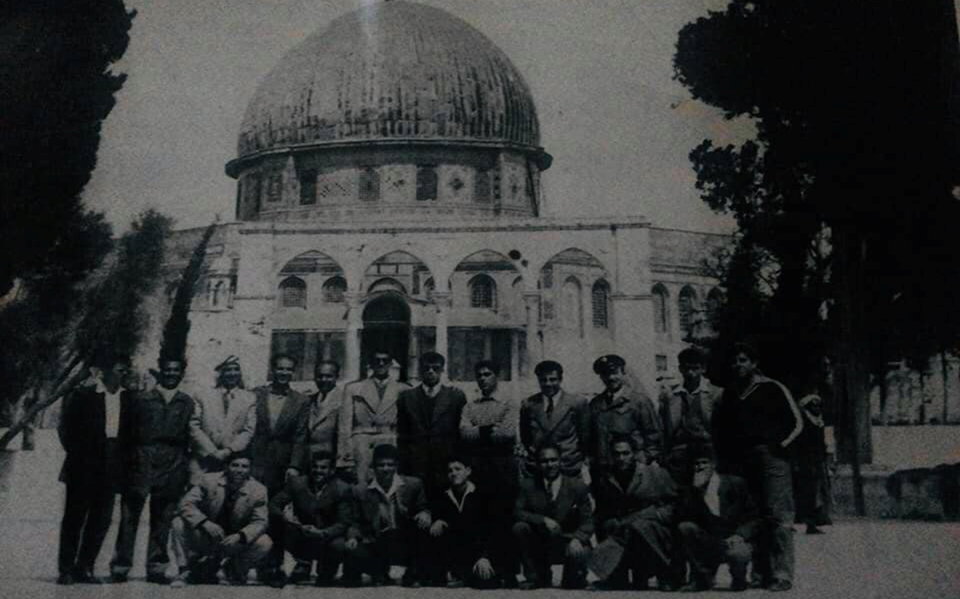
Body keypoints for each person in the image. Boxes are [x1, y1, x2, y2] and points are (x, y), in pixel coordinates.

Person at [711, 342, 803, 592]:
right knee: (754, 517)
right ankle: (760, 573)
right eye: (734, 361)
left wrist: (777, 447)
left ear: (754, 363)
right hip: (743, 464)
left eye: (743, 360)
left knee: (778, 517)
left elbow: (797, 423)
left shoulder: (772, 388)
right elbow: (719, 431)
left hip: (772, 461)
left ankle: (782, 574)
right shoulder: (729, 395)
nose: (738, 365)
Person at [111, 357, 195, 584]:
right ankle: (121, 566)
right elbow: (125, 436)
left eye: (175, 371)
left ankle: (156, 567)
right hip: (141, 461)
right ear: (160, 372)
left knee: (163, 518)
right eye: (167, 370)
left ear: (181, 374)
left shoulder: (186, 402)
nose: (171, 374)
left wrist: (184, 469)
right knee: (129, 517)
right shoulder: (141, 399)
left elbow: (189, 438)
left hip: (173, 462)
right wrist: (124, 468)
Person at [56, 358, 134, 585]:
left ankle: (85, 567)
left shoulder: (129, 398)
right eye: (119, 368)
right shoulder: (83, 396)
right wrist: (79, 455)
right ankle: (66, 569)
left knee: (101, 519)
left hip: (113, 463)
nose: (123, 372)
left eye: (125, 369)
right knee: (74, 517)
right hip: (83, 463)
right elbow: (65, 429)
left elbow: (131, 434)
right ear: (105, 371)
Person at [249, 353, 310, 587]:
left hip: (283, 465)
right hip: (257, 461)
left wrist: (294, 465)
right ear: (272, 370)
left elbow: (300, 436)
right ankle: (255, 563)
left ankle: (274, 566)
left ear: (293, 372)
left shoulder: (300, 400)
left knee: (277, 515)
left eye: (288, 370)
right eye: (280, 369)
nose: (284, 373)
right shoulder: (256, 394)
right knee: (256, 512)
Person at [458, 359, 520, 585]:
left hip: (503, 470)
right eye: (480, 375)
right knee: (479, 518)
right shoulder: (470, 405)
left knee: (504, 518)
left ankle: (508, 570)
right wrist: (489, 429)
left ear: (497, 377)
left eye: (487, 374)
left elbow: (507, 433)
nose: (483, 378)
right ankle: (480, 568)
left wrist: (479, 432)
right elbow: (464, 433)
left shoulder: (508, 403)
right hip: (478, 470)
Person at [170, 454, 272, 587]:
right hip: (206, 536)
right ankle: (184, 570)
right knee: (178, 523)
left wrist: (240, 536)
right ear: (226, 467)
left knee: (264, 542)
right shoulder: (208, 479)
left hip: (233, 541)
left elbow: (260, 522)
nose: (239, 470)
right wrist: (204, 522)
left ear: (250, 470)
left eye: (244, 466)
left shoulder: (258, 490)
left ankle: (234, 569)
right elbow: (185, 504)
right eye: (235, 465)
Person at [591, 437, 677, 591]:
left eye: (626, 453)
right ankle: (616, 577)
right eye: (616, 454)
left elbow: (674, 503)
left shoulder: (654, 473)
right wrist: (609, 522)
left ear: (635, 454)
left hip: (651, 530)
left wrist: (657, 515)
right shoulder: (606, 478)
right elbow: (602, 510)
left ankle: (660, 575)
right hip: (622, 531)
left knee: (641, 528)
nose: (621, 458)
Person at [344, 444, 433, 587]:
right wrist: (352, 537)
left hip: (404, 539)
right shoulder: (361, 491)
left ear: (396, 466)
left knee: (423, 529)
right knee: (354, 552)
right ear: (373, 467)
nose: (385, 469)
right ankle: (379, 572)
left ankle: (413, 573)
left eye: (390, 465)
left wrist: (425, 513)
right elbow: (355, 521)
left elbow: (423, 507)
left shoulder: (413, 485)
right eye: (381, 465)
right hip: (376, 541)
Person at [676, 444, 760, 592]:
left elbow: (754, 516)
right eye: (696, 464)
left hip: (733, 538)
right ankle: (702, 578)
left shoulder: (735, 483)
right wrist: (695, 491)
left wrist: (740, 534)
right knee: (685, 527)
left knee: (739, 553)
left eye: (704, 463)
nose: (700, 467)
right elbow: (683, 516)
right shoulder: (689, 489)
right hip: (708, 539)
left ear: (714, 465)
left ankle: (738, 578)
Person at [512, 445, 593, 590]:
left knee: (573, 584)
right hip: (540, 541)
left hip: (567, 541)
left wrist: (577, 538)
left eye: (553, 460)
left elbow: (588, 521)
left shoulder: (577, 486)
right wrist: (542, 519)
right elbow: (518, 511)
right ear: (537, 464)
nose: (549, 465)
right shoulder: (528, 485)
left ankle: (575, 575)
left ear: (560, 461)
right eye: (544, 461)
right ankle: (535, 576)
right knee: (520, 528)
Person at [269, 450, 354, 586]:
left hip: (327, 536)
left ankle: (326, 570)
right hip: (301, 533)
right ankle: (289, 567)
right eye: (315, 467)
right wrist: (285, 517)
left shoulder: (342, 488)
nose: (318, 471)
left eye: (323, 468)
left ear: (332, 470)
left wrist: (322, 532)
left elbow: (343, 522)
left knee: (338, 545)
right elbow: (274, 504)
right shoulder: (297, 483)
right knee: (276, 526)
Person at [396, 352, 467, 500]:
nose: (431, 372)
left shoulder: (455, 397)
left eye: (435, 368)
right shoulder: (407, 397)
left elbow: (459, 432)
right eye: (426, 368)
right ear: (420, 370)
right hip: (415, 464)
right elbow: (402, 434)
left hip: (445, 463)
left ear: (442, 370)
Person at [426, 456, 502, 588]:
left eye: (458, 469)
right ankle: (450, 572)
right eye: (450, 470)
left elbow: (492, 530)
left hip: (481, 551)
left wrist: (484, 557)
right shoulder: (443, 496)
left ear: (468, 471)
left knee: (486, 583)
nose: (454, 473)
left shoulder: (483, 495)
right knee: (437, 530)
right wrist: (438, 520)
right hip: (458, 552)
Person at [338, 351, 410, 485]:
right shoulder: (354, 388)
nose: (381, 364)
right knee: (361, 488)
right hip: (361, 445)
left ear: (391, 364)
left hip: (389, 442)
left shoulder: (403, 389)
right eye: (377, 360)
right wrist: (345, 457)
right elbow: (344, 426)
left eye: (385, 360)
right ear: (370, 364)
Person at [588, 354, 662, 481]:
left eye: (614, 372)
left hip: (633, 470)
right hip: (605, 472)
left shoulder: (639, 401)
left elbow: (654, 437)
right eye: (605, 374)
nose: (611, 378)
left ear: (623, 372)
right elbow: (592, 439)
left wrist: (643, 461)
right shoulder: (595, 404)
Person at [188, 356, 256, 484]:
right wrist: (212, 451)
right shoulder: (202, 395)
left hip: (231, 460)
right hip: (203, 459)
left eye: (236, 369)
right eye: (228, 370)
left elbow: (249, 430)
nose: (232, 373)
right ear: (221, 373)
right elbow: (194, 426)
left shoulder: (249, 398)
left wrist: (229, 450)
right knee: (197, 493)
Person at [659, 347, 722, 488]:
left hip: (707, 453)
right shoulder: (669, 395)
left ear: (703, 369)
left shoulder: (716, 394)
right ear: (680, 368)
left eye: (695, 368)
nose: (691, 373)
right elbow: (662, 427)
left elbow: (722, 429)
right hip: (678, 454)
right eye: (686, 368)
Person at [519, 361, 590, 480]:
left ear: (560, 379)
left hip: (568, 467)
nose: (548, 384)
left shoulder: (577, 403)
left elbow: (585, 438)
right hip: (538, 468)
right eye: (543, 380)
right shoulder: (529, 404)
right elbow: (525, 437)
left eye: (553, 379)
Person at [291, 360, 344, 475]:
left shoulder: (344, 400)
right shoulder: (309, 400)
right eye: (320, 376)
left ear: (337, 377)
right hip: (308, 464)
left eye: (329, 376)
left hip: (330, 465)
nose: (324, 380)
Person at [792, 391, 833, 534]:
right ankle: (803, 521)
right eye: (813, 406)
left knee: (816, 493)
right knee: (804, 492)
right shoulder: (801, 422)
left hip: (816, 462)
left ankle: (814, 521)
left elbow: (824, 444)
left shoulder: (819, 422)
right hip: (804, 462)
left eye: (819, 406)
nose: (817, 409)